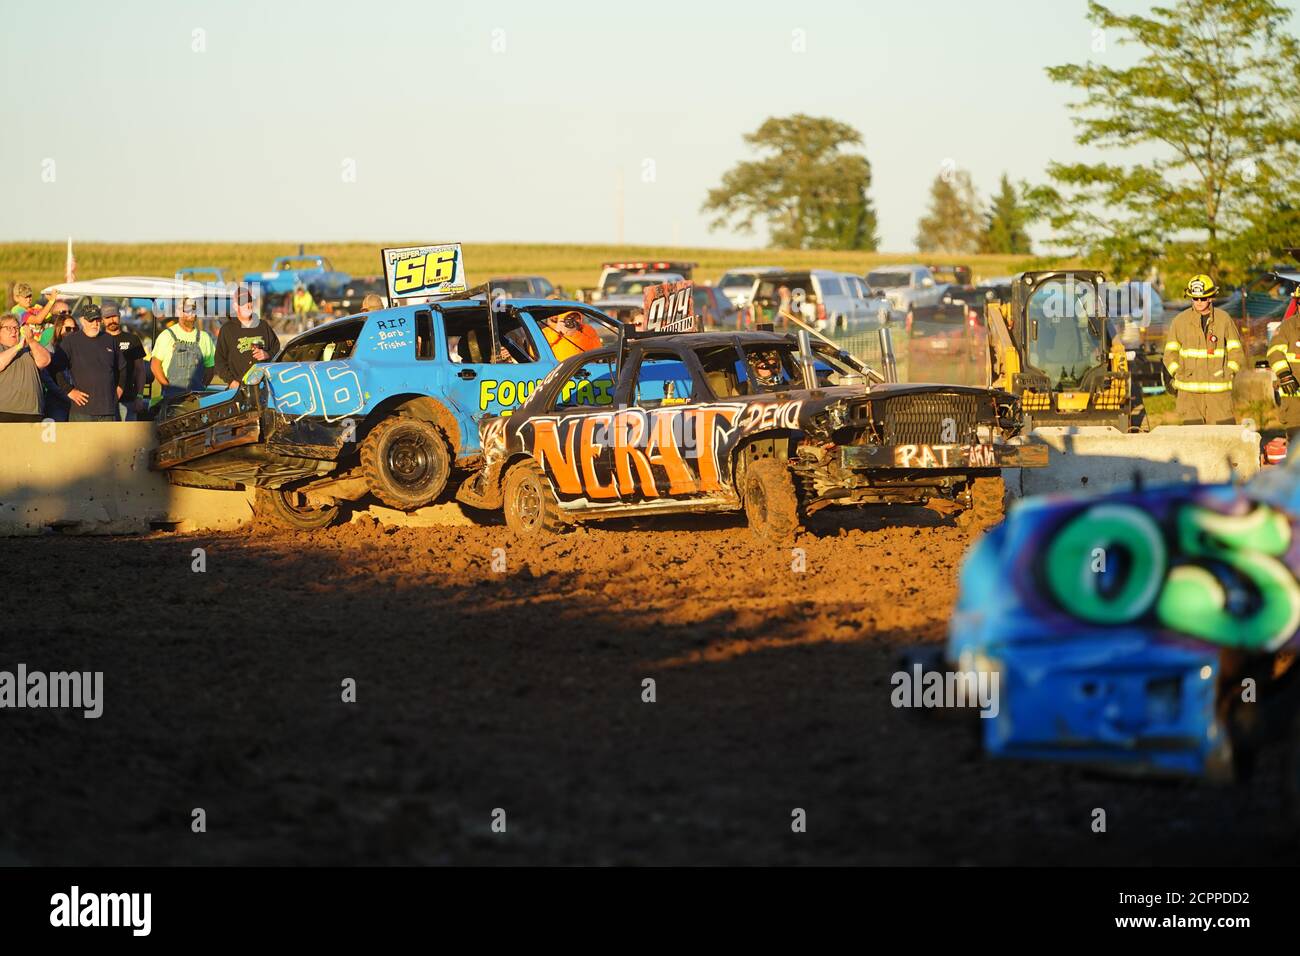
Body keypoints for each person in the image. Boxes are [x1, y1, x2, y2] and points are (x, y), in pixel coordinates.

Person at [1163, 274, 1243, 425]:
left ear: (1211, 297)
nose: (1199, 302)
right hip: (1189, 395)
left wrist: (1229, 373)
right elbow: (1169, 354)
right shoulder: (1180, 321)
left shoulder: (1224, 319)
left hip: (1219, 395)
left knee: (1222, 438)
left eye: (1203, 298)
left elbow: (1236, 352)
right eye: (1195, 298)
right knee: (1193, 441)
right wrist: (1177, 373)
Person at [49, 303, 122, 422]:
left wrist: (119, 390)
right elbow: (55, 368)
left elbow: (122, 368)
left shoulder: (110, 340)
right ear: (82, 321)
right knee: (81, 441)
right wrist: (69, 390)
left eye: (98, 320)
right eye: (91, 320)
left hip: (108, 410)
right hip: (82, 411)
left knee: (109, 441)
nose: (95, 324)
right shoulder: (70, 341)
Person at [150, 297, 215, 406]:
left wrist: (201, 388)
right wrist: (167, 386)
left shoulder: (204, 338)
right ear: (178, 312)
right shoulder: (166, 336)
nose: (191, 314)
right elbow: (155, 365)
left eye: (193, 310)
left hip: (196, 400)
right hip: (171, 400)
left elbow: (210, 368)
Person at [215, 288, 279, 388]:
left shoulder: (263, 325)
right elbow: (219, 361)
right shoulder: (227, 330)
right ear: (235, 306)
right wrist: (231, 381)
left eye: (249, 301)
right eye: (243, 302)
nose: (248, 305)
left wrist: (267, 354)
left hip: (264, 385)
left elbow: (277, 350)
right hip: (239, 387)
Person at [0, 314, 53, 422]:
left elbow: (45, 360)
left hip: (32, 412)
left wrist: (31, 340)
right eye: (9, 328)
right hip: (4, 411)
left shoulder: (30, 349)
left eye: (16, 328)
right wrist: (18, 346)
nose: (14, 331)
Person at [102, 302, 147, 419]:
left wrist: (140, 396)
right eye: (107, 317)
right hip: (102, 401)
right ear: (102, 320)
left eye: (114, 316)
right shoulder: (97, 340)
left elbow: (140, 370)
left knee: (130, 436)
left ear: (119, 317)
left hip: (128, 399)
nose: (112, 320)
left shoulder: (132, 339)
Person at [40, 314, 79, 421]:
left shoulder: (79, 350)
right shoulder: (50, 349)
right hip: (56, 401)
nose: (71, 331)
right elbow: (47, 378)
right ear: (59, 329)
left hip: (77, 401)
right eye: (67, 328)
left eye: (74, 328)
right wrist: (66, 393)